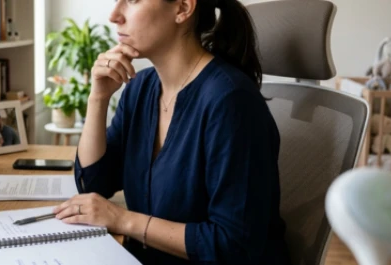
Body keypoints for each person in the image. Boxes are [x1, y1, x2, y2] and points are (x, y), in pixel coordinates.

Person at [52, 0, 290, 264]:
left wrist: (123, 219)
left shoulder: (231, 102)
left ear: (182, 8)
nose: (114, 15)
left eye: (132, 1)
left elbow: (233, 245)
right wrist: (97, 98)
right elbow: (94, 185)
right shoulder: (140, 89)